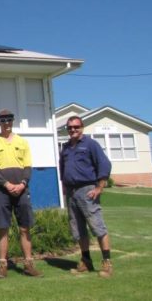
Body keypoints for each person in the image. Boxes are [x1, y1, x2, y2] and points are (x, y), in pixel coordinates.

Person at [0, 109, 42, 278]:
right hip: (2, 192)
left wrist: (23, 183)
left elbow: (28, 166)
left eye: (9, 120)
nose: (6, 123)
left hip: (22, 190)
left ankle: (29, 264)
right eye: (3, 120)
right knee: (3, 228)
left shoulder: (22, 142)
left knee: (25, 228)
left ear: (13, 121)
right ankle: (2, 265)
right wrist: (7, 184)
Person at [60, 115, 114, 278]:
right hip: (71, 192)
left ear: (82, 127)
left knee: (97, 226)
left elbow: (104, 164)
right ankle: (86, 261)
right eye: (70, 128)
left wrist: (99, 187)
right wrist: (64, 188)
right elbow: (63, 169)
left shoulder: (91, 144)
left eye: (76, 127)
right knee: (78, 229)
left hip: (87, 190)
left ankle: (107, 263)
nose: (73, 130)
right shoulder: (66, 148)